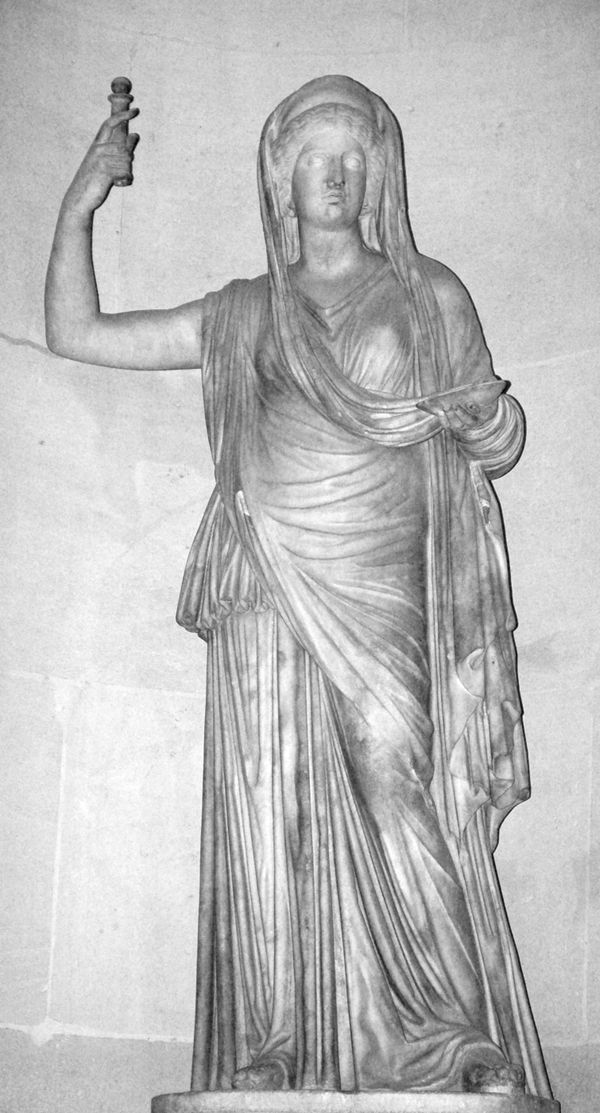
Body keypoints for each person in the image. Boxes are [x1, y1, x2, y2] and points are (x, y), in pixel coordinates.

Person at [46, 75, 553, 1098]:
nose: (338, 174)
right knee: (266, 799)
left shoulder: (429, 294)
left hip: (383, 577)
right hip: (266, 575)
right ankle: (273, 1040)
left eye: (355, 157)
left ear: (378, 176)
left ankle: (453, 1027)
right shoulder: (245, 311)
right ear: (281, 177)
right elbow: (79, 333)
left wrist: (489, 423)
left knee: (395, 774)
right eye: (317, 157)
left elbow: (491, 434)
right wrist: (80, 206)